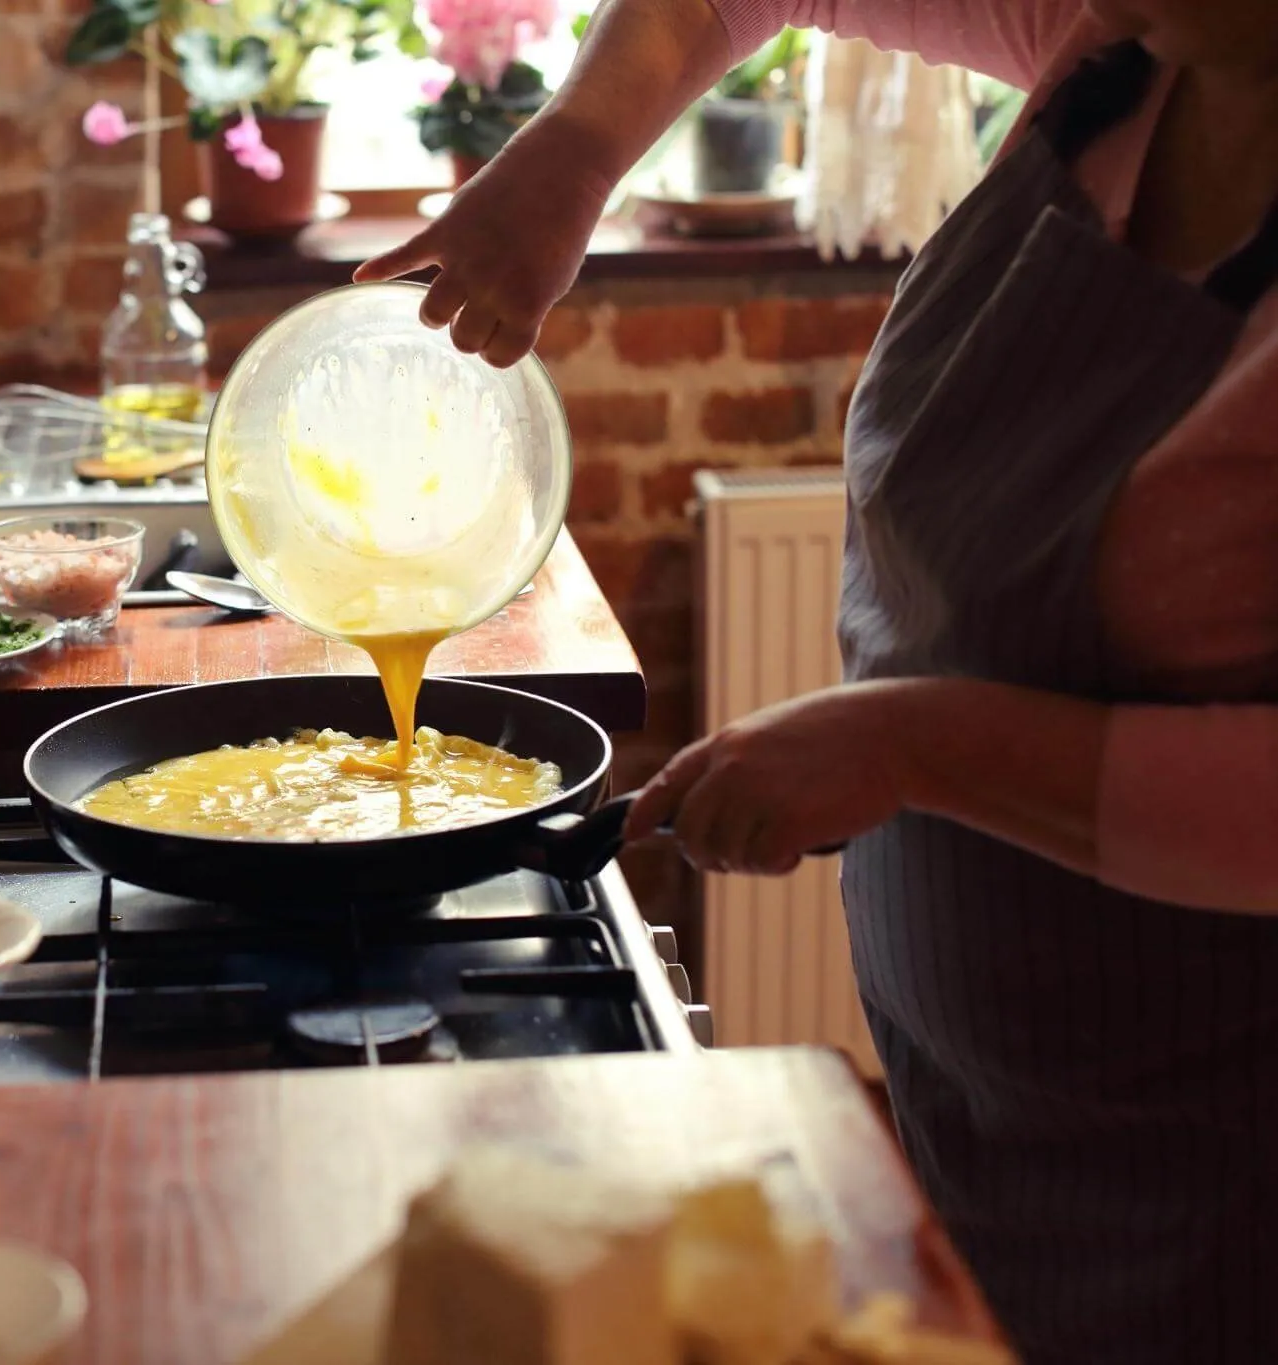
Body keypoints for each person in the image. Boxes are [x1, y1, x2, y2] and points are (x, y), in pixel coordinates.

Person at [356, 2, 1278, 1361]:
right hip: (981, 1101)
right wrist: (572, 154)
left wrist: (919, 746)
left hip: (1227, 1181)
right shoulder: (1119, 45)